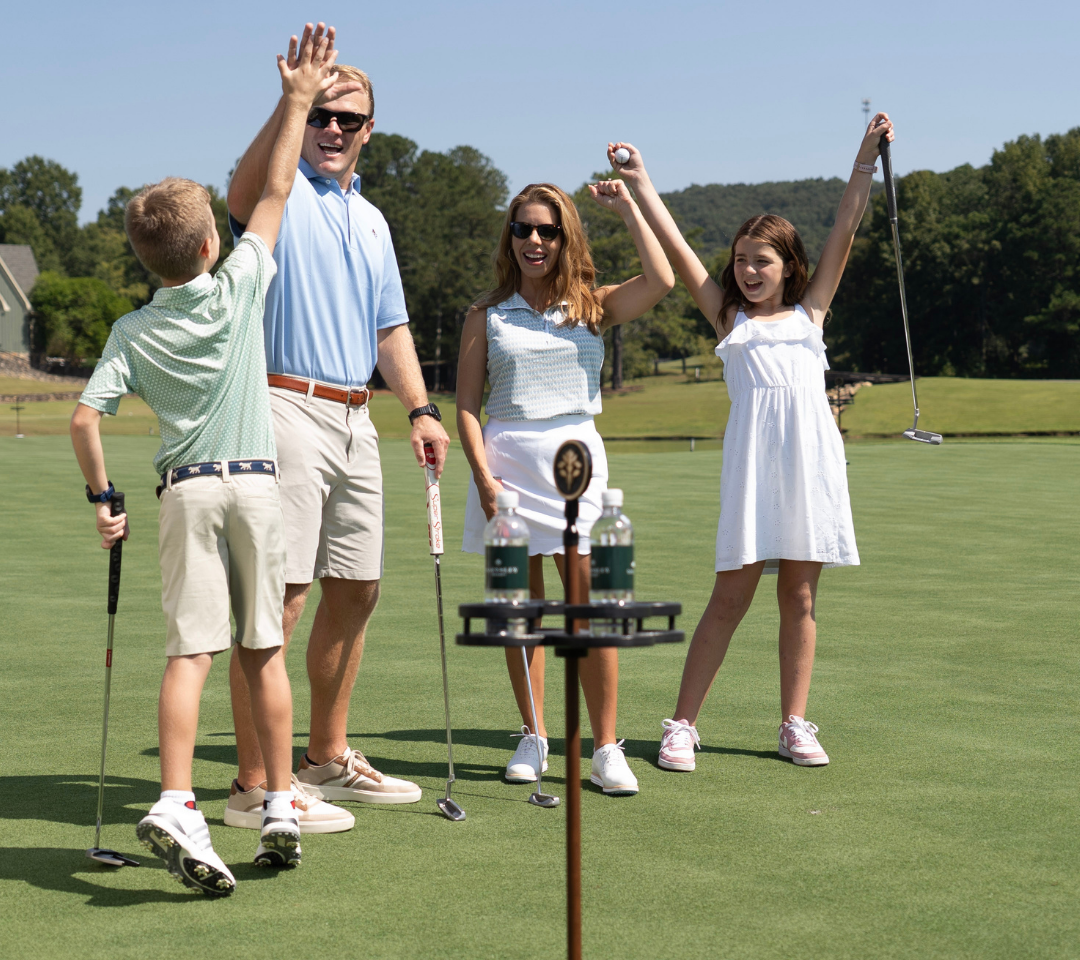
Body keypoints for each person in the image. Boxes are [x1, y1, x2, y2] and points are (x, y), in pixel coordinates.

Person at [69, 31, 347, 894]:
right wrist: (297, 98)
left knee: (190, 655)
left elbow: (84, 419)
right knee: (263, 651)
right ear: (205, 248)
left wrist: (104, 498)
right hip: (256, 489)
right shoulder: (239, 283)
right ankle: (277, 804)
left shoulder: (131, 329)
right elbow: (275, 189)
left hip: (185, 493)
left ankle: (179, 801)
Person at [611, 114, 894, 771]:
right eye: (740, 260)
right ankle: (682, 725)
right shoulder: (728, 318)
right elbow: (679, 248)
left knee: (800, 598)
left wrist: (865, 156)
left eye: (761, 260)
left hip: (811, 470)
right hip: (753, 472)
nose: (747, 270)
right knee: (729, 599)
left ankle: (794, 724)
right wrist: (641, 181)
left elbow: (846, 225)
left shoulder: (811, 313)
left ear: (789, 267)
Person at [224, 23, 451, 825]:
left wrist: (421, 408)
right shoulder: (278, 195)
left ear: (368, 131)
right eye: (320, 115)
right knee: (281, 600)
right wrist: (291, 100)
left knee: (357, 589)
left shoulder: (375, 220)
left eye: (345, 118)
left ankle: (323, 757)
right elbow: (244, 191)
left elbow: (390, 329)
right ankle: (256, 785)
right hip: (282, 404)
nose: (331, 128)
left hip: (359, 418)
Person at [457, 179, 674, 795]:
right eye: (522, 228)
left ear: (565, 238)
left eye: (547, 231)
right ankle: (533, 735)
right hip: (506, 465)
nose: (534, 240)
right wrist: (483, 479)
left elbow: (661, 280)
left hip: (576, 461)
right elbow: (467, 406)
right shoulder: (485, 313)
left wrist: (628, 207)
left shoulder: (592, 305)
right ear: (509, 237)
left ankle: (605, 747)